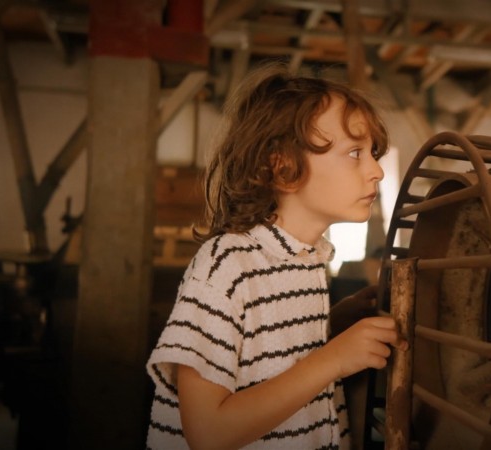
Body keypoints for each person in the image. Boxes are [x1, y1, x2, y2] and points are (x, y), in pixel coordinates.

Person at [146, 63, 405, 449]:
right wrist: (334, 359)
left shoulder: (304, 259)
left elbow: (270, 360)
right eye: (355, 153)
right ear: (282, 166)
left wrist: (336, 325)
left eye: (373, 153)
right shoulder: (226, 265)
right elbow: (208, 433)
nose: (376, 172)